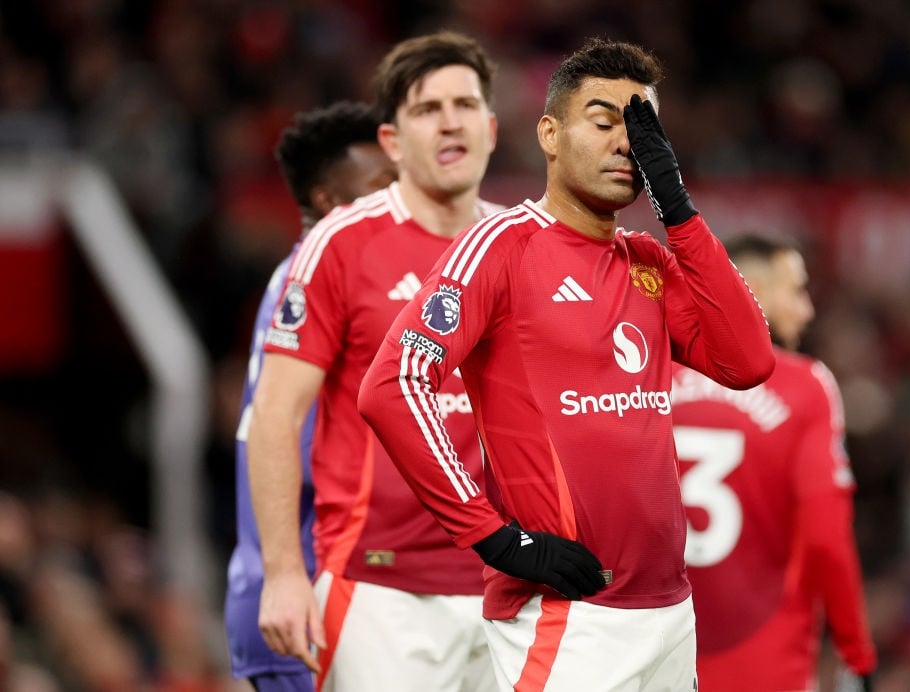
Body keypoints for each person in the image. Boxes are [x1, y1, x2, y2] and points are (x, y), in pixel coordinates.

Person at [358, 38, 775, 690]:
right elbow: (393, 386)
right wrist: (496, 540)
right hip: (567, 616)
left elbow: (748, 360)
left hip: (669, 610)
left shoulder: (649, 262)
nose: (626, 145)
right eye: (605, 122)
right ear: (550, 133)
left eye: (642, 130)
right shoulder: (502, 247)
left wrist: (678, 209)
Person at [248, 31, 502, 691]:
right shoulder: (341, 243)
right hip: (379, 588)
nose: (450, 121)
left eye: (465, 104)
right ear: (392, 141)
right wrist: (282, 574)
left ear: (493, 127)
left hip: (514, 586)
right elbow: (275, 415)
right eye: (426, 108)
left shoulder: (524, 244)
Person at [225, 100, 397, 691]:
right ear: (330, 201)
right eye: (382, 185)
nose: (400, 200)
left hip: (320, 591)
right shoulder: (309, 287)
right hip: (306, 595)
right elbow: (295, 448)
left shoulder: (310, 281)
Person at [670, 233, 877, 691]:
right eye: (796, 291)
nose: (807, 310)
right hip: (765, 659)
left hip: (652, 651)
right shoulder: (805, 387)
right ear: (751, 291)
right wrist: (856, 653)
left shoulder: (646, 376)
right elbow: (827, 538)